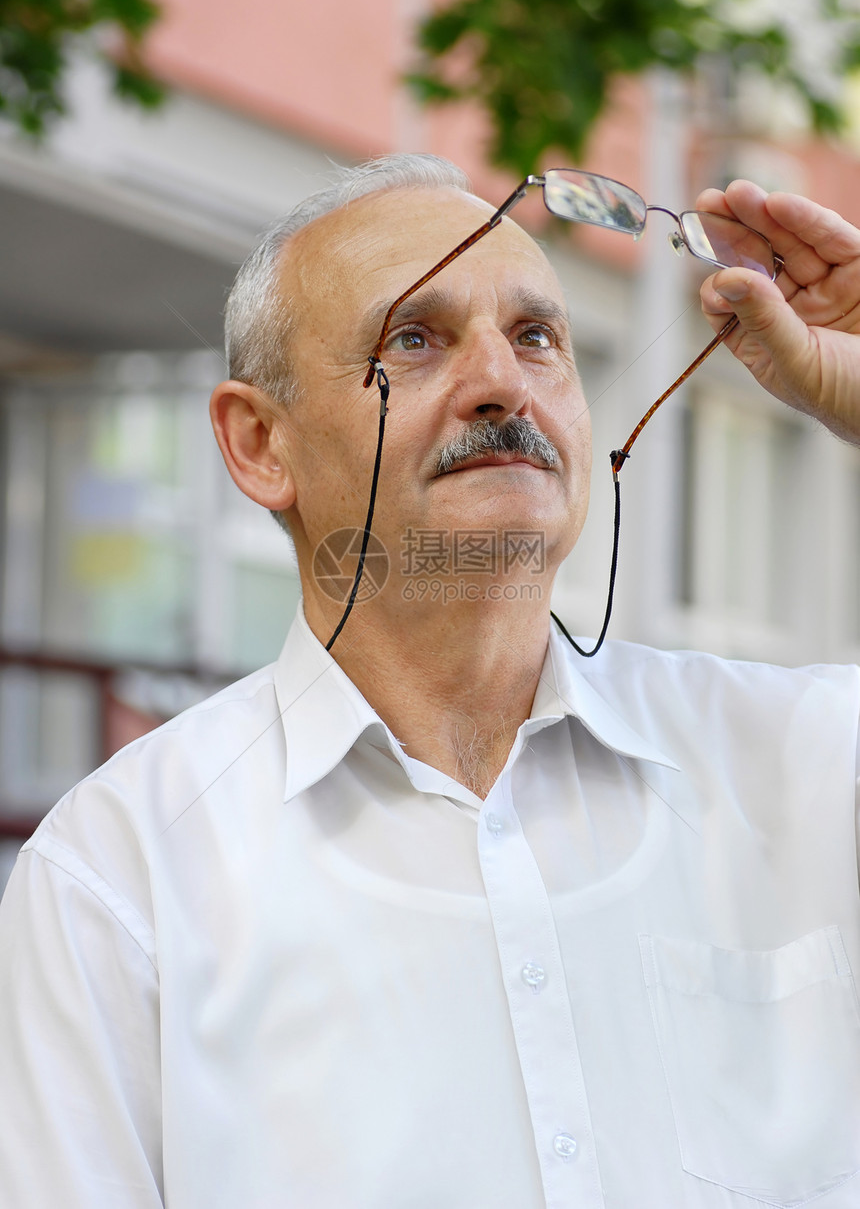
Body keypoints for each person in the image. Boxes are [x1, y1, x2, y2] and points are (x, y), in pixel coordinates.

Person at [1, 152, 859, 1208]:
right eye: (414, 338)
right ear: (260, 442)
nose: (503, 382)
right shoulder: (120, 879)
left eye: (537, 336)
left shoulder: (807, 764)